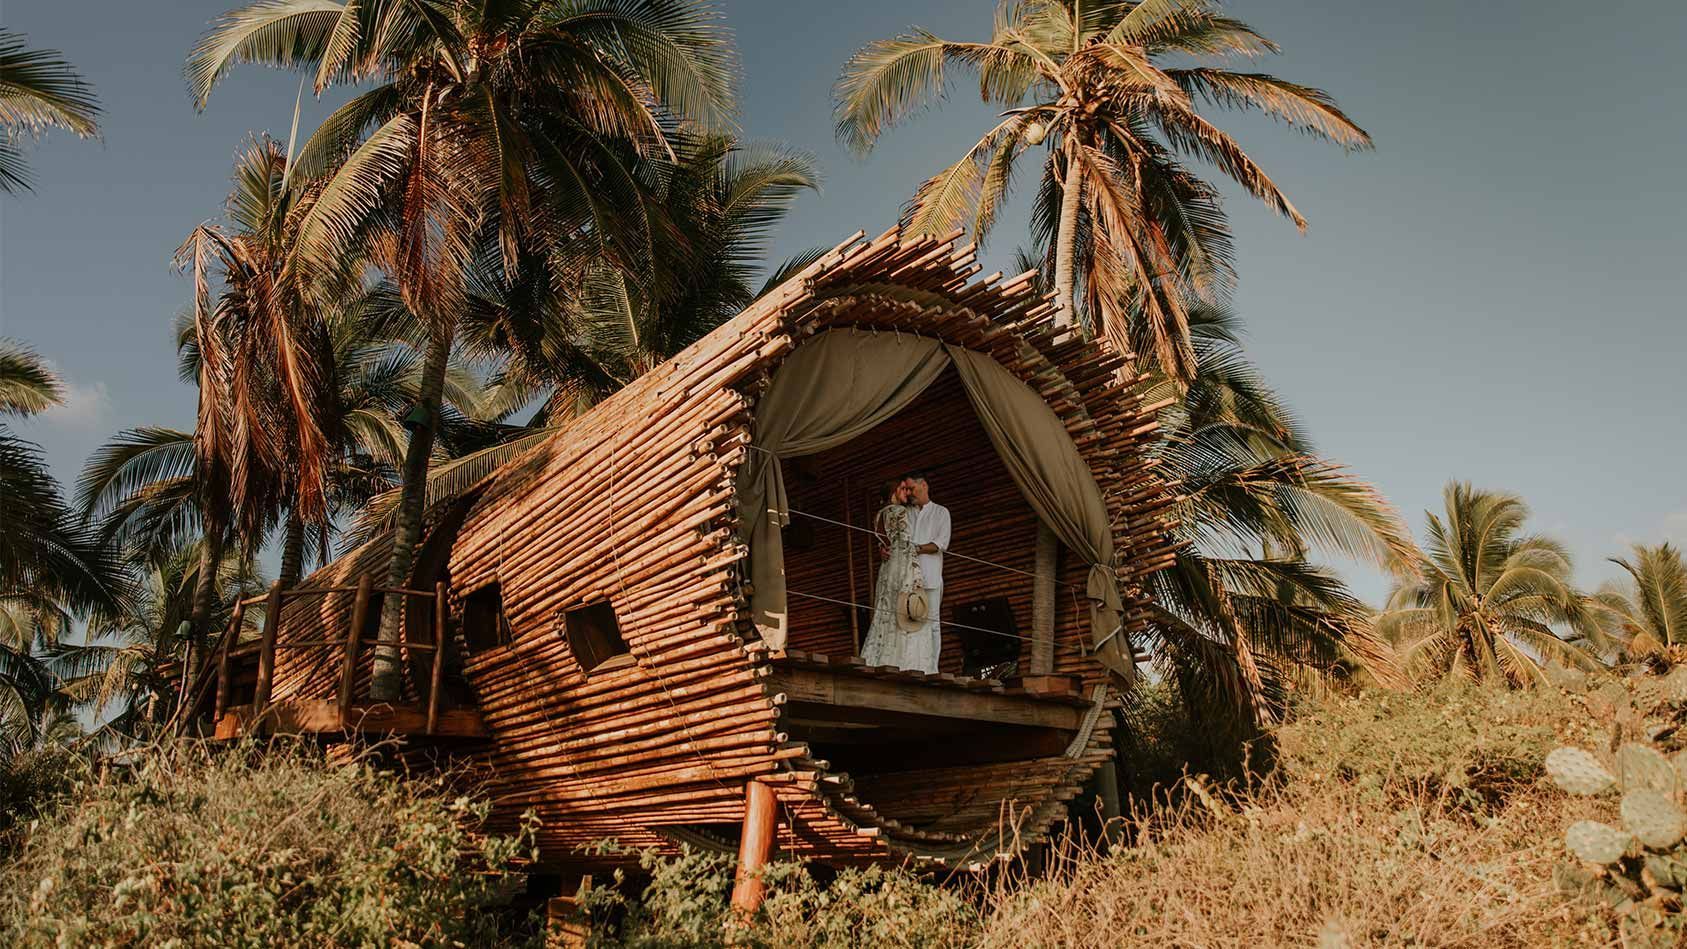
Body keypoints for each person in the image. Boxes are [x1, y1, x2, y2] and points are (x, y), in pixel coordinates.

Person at [860, 480, 918, 670]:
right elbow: (906, 542)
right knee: (901, 609)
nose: (906, 492)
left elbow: (882, 541)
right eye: (902, 489)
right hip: (901, 563)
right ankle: (899, 660)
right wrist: (915, 571)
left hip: (887, 566)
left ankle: (876, 658)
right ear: (894, 491)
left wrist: (882, 549)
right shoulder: (900, 512)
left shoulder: (878, 515)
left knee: (885, 610)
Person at [900, 472, 950, 674]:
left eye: (912, 488)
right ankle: (910, 664)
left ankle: (931, 668)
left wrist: (914, 549)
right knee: (908, 622)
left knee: (933, 623)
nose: (910, 493)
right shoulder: (906, 513)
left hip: (930, 577)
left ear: (924, 486)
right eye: (908, 489)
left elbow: (940, 544)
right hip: (907, 578)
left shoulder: (941, 512)